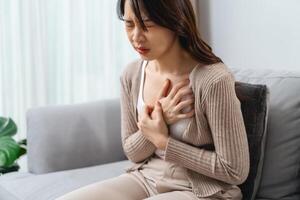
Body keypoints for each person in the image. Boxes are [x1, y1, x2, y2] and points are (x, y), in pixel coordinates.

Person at [56, 0, 250, 199]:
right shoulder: (131, 75)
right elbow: (133, 153)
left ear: (175, 21)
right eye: (129, 24)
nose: (136, 37)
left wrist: (165, 142)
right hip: (146, 178)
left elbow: (235, 170)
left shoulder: (213, 80)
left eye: (147, 25)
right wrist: (161, 119)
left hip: (200, 189)